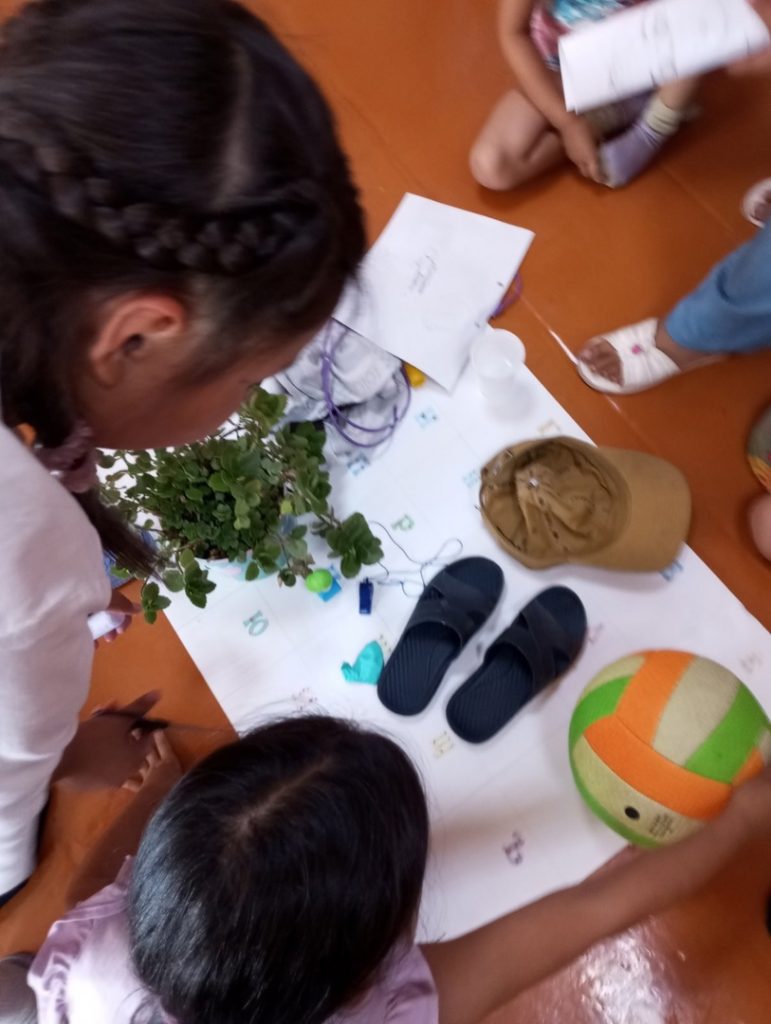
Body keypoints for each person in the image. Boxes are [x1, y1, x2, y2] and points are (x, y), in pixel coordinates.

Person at [0, 0, 365, 907]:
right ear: (137, 334)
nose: (245, 404)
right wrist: (51, 764)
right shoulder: (21, 548)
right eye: (249, 381)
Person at [22, 716, 771, 1024]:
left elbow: (92, 895)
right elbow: (594, 908)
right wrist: (740, 818)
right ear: (362, 970)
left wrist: (154, 788)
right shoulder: (386, 1010)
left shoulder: (91, 958)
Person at [470, 0, 701, 191]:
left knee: (701, 23)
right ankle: (618, 111)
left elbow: (699, 24)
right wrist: (567, 122)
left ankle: (651, 126)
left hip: (646, 61)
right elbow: (513, 33)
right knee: (492, 165)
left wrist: (649, 133)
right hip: (562, 68)